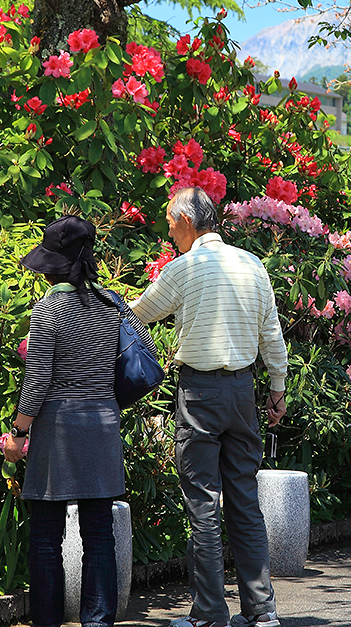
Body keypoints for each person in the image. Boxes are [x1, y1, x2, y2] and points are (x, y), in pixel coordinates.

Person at [130, 186, 286, 627]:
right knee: (244, 501)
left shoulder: (185, 267)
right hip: (243, 392)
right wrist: (278, 388)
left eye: (169, 223)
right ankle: (262, 611)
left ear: (184, 220)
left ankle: (210, 614)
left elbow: (138, 315)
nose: (167, 232)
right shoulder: (252, 264)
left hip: (200, 393)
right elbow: (271, 334)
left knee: (202, 504)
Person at [3, 214, 157, 627]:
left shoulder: (48, 310)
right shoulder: (114, 303)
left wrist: (18, 433)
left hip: (58, 430)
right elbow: (141, 350)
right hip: (103, 425)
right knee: (99, 534)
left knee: (46, 538)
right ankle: (98, 622)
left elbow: (37, 382)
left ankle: (49, 621)